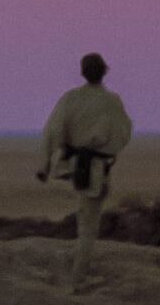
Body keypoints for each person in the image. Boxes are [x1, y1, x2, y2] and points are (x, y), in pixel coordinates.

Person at [37, 52, 133, 289]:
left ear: (83, 72)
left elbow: (52, 131)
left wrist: (45, 165)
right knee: (88, 224)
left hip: (80, 164)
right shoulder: (112, 101)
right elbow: (123, 134)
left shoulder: (71, 99)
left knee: (87, 218)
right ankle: (77, 279)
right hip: (94, 168)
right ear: (104, 71)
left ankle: (78, 273)